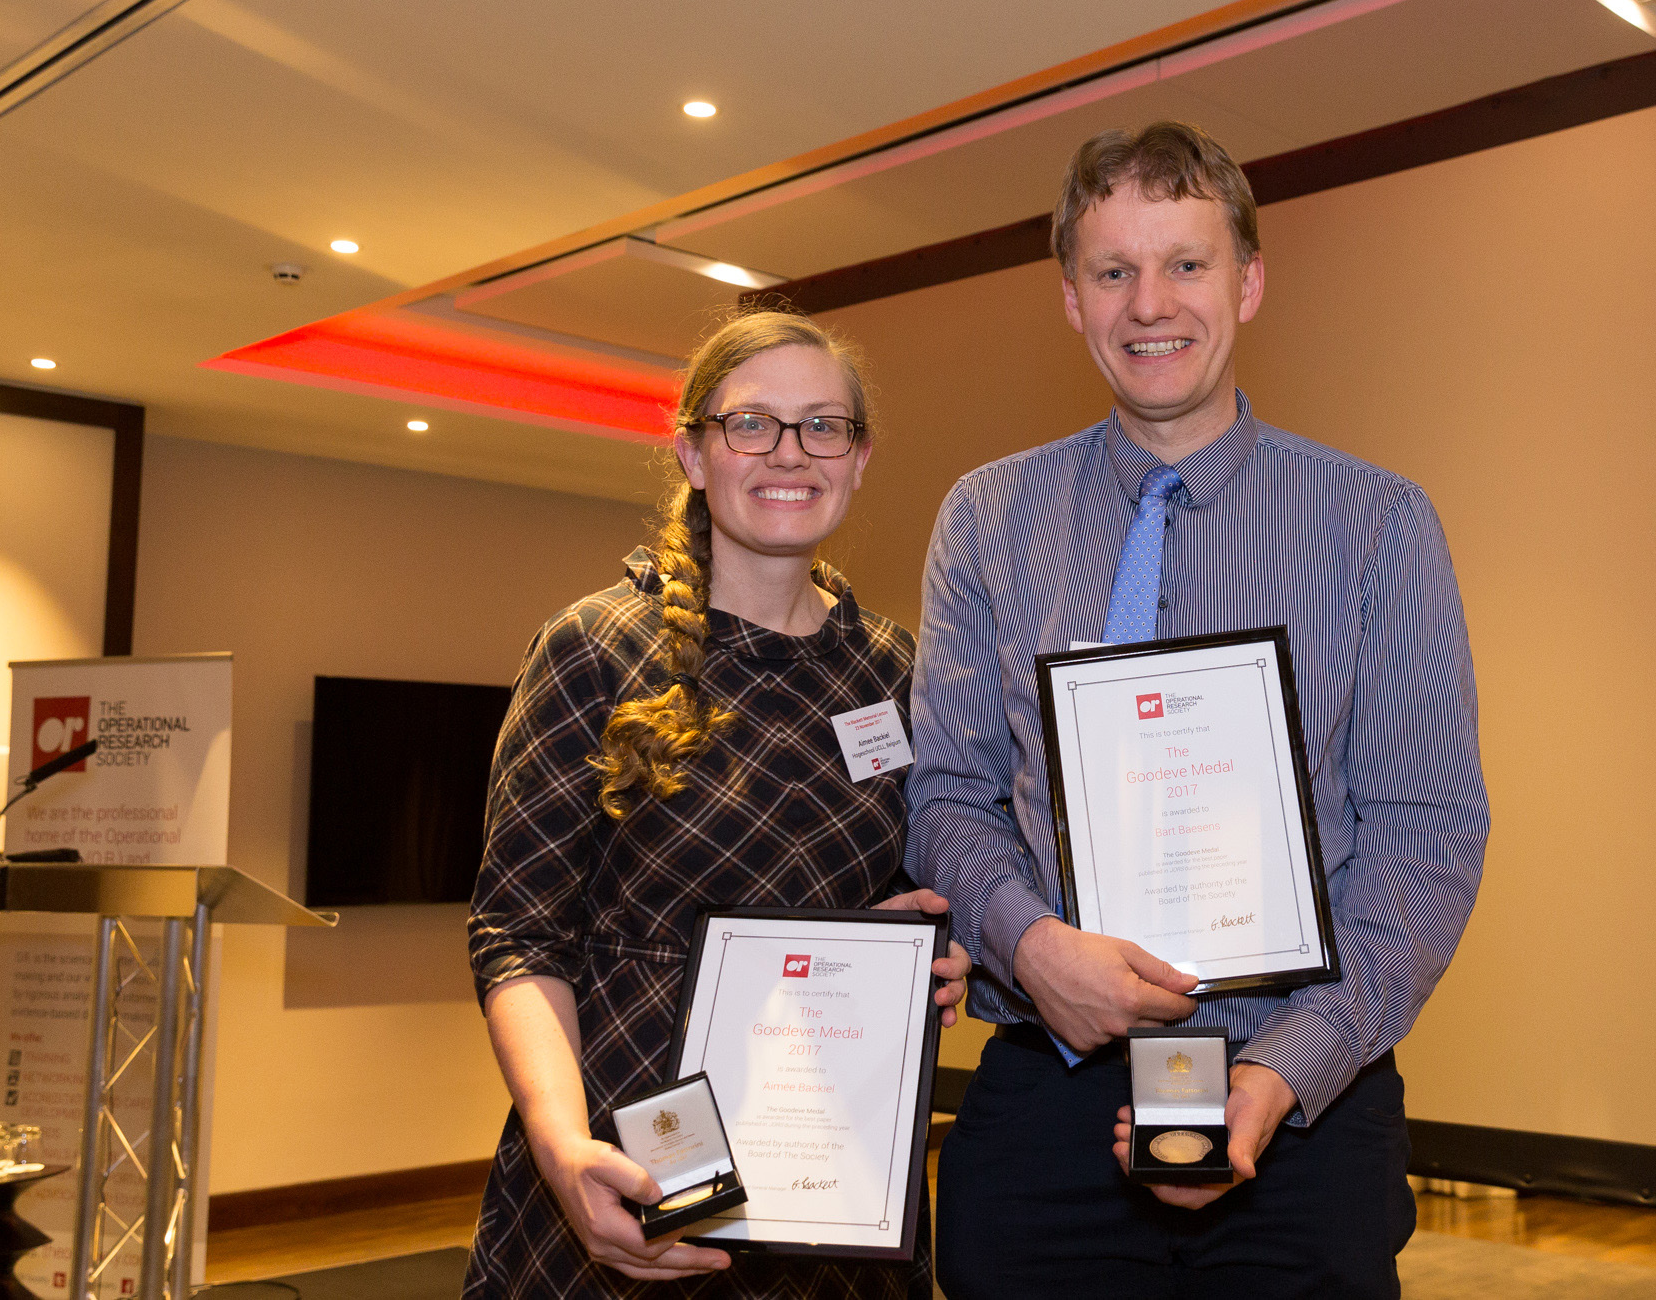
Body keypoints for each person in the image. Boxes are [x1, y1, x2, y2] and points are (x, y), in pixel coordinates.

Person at [908, 121, 1490, 1298]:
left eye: (1185, 262)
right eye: (1112, 270)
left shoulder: (1377, 527)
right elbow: (945, 794)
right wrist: (1034, 945)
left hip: (1303, 1107)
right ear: (1070, 298)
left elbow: (1427, 837)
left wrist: (1279, 1073)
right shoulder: (985, 519)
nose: (1147, 303)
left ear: (1249, 281)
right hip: (1043, 1097)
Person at [464, 309, 968, 1299]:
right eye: (752, 424)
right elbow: (518, 933)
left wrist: (914, 959)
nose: (789, 452)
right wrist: (564, 1148)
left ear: (859, 458)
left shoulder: (897, 672)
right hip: (624, 1151)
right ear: (695, 450)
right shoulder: (593, 647)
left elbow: (890, 900)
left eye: (822, 425)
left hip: (829, 1169)